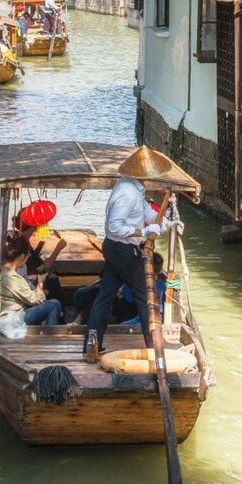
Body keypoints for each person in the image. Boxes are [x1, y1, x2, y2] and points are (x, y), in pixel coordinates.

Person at [84, 149, 167, 360]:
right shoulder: (128, 192)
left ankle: (92, 344)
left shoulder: (133, 188)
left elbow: (146, 213)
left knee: (105, 296)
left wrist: (166, 222)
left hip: (116, 248)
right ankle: (154, 346)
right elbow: (114, 227)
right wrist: (143, 232)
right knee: (143, 295)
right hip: (121, 248)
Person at [0, 238, 64, 327]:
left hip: (12, 313)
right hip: (14, 318)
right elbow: (35, 300)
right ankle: (50, 335)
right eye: (27, 255)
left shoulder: (4, 271)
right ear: (21, 257)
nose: (28, 258)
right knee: (54, 304)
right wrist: (40, 283)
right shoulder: (12, 277)